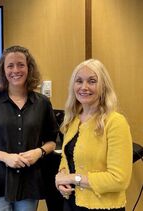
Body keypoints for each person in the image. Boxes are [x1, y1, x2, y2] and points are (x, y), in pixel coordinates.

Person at [0, 45, 58, 211]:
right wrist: (5, 157)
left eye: (21, 65)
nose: (16, 70)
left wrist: (39, 152)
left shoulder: (42, 103)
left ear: (29, 68)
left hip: (29, 182)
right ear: (3, 70)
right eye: (10, 65)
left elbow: (52, 141)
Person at [55, 59, 132, 211]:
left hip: (103, 207)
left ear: (103, 86)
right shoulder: (73, 119)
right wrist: (61, 176)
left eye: (92, 81)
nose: (84, 87)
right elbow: (67, 156)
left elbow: (119, 179)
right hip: (72, 203)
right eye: (79, 81)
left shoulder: (115, 122)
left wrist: (73, 178)